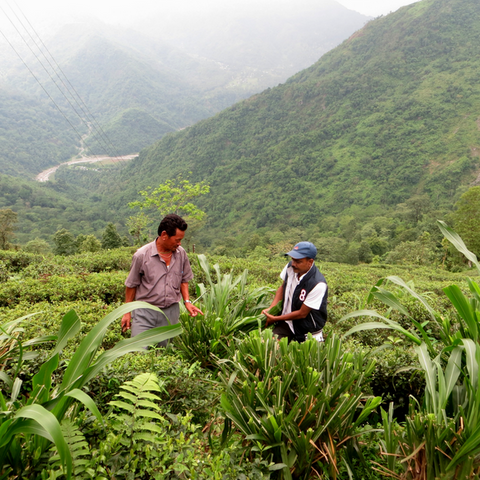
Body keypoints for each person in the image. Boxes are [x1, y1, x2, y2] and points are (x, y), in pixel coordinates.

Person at [121, 214, 203, 346]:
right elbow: (131, 285)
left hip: (170, 313)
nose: (179, 243)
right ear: (164, 235)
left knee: (166, 354)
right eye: (177, 240)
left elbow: (184, 280)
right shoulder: (141, 255)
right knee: (138, 352)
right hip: (145, 312)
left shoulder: (181, 254)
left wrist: (187, 301)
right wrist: (127, 312)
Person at [262, 241, 327, 343]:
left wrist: (275, 318)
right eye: (292, 260)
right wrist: (271, 309)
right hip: (287, 323)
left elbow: (302, 313)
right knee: (269, 348)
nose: (293, 264)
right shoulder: (290, 268)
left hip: (307, 330)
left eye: (298, 261)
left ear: (310, 262)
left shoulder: (318, 284)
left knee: (306, 358)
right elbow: (282, 287)